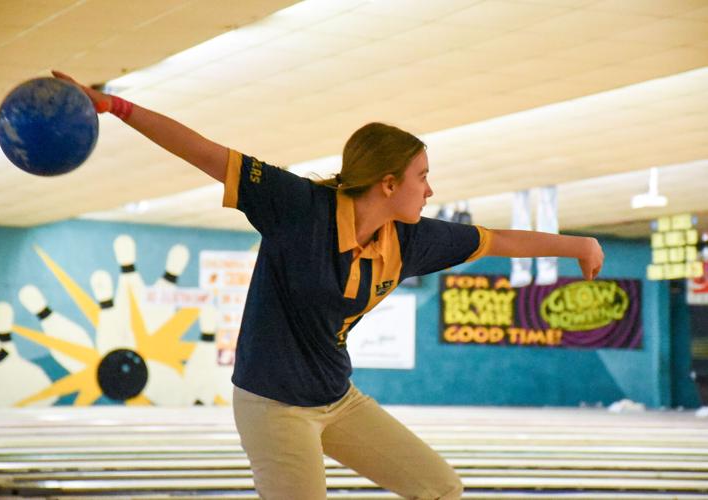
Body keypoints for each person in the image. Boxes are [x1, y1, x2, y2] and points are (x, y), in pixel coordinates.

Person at [53, 71, 604, 499]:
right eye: (422, 177)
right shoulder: (297, 207)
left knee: (440, 487)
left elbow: (501, 241)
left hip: (338, 401)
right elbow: (203, 151)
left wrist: (579, 245)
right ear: (388, 183)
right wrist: (113, 105)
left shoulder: (410, 239)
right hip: (273, 405)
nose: (430, 190)